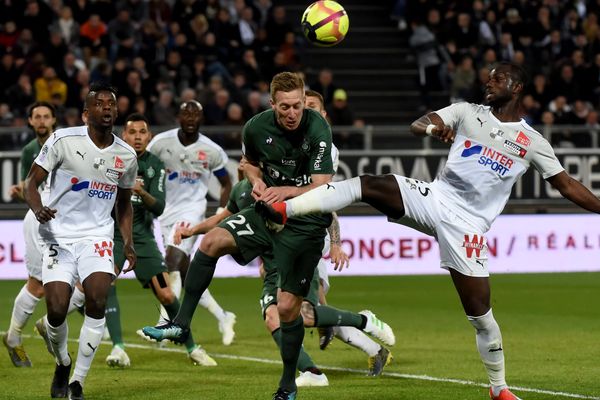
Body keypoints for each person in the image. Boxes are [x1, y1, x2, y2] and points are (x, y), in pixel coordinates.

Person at [255, 62, 600, 400]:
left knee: (481, 317)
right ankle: (284, 208)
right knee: (371, 184)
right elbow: (418, 124)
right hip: (435, 198)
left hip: (469, 227)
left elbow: (567, 185)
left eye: (500, 78)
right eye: (490, 77)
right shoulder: (467, 112)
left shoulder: (531, 141)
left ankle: (499, 388)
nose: (490, 81)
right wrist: (436, 129)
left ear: (518, 88)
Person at [142, 72, 395, 400]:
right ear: (272, 104)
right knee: (210, 243)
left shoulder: (318, 129)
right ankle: (182, 323)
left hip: (305, 226)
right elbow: (250, 165)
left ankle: (290, 382)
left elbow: (322, 186)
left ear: (305, 102)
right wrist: (257, 182)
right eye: (284, 107)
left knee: (289, 311)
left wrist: (285, 192)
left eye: (297, 106)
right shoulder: (255, 128)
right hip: (265, 215)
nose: (292, 113)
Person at [23, 82, 138, 400]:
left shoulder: (125, 155)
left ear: (116, 111)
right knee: (57, 309)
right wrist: (38, 208)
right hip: (58, 234)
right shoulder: (63, 139)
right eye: (99, 104)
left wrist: (127, 242)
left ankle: (77, 382)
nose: (106, 108)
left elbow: (124, 203)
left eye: (111, 104)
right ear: (87, 113)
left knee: (97, 300)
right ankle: (62, 362)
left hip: (97, 236)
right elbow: (31, 182)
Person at [104, 113, 216, 368]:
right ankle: (118, 348)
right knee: (105, 284)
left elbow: (159, 207)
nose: (137, 137)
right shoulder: (111, 160)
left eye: (142, 132)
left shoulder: (155, 165)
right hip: (112, 235)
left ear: (149, 137)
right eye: (132, 132)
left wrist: (141, 191)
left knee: (167, 294)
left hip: (142, 238)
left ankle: (192, 347)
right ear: (124, 135)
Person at [304, 90, 393, 375]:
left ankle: (364, 320)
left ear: (325, 114)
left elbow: (324, 198)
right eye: (302, 106)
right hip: (290, 235)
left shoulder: (324, 148)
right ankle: (374, 348)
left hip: (309, 234)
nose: (306, 110)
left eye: (313, 106)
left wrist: (335, 241)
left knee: (308, 310)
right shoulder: (295, 144)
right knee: (314, 312)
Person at [145, 100, 236, 346]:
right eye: (186, 114)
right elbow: (144, 166)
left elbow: (226, 183)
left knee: (171, 262)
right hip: (165, 212)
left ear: (201, 118)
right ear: (178, 117)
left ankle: (165, 325)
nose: (190, 118)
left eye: (195, 114)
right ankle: (224, 316)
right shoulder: (160, 143)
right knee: (186, 274)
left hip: (192, 211)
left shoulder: (212, 150)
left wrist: (218, 214)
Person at [3, 102, 85, 368]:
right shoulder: (32, 150)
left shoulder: (65, 142)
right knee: (39, 284)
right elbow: (33, 186)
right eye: (36, 116)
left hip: (66, 219)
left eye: (45, 116)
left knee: (87, 280)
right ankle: (16, 335)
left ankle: (41, 326)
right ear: (30, 121)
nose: (41, 121)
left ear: (53, 120)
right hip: (46, 219)